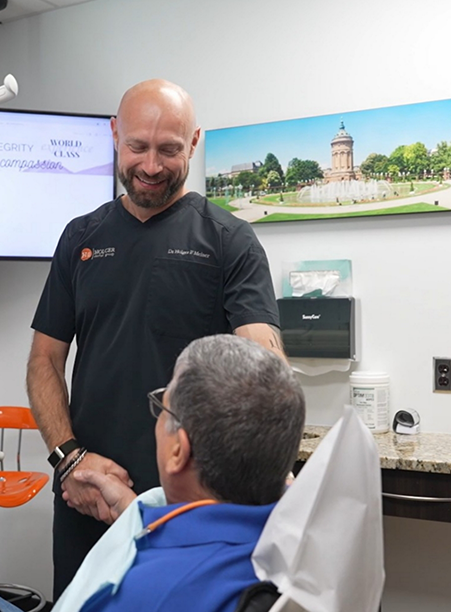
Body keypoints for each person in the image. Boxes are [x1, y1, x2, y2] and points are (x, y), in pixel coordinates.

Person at [26, 78, 284, 598]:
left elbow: (265, 370)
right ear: (114, 135)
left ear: (194, 142)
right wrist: (68, 459)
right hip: (85, 492)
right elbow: (44, 362)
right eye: (137, 146)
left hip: (192, 507)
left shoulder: (229, 241)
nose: (150, 166)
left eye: (168, 149)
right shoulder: (81, 238)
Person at [53, 334, 305, 612]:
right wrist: (129, 510)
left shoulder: (142, 595)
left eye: (163, 406)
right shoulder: (305, 537)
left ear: (178, 451)